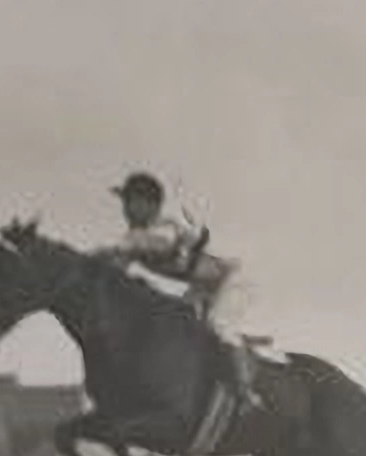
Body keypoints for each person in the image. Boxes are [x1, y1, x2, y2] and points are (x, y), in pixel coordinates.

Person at [97, 171, 258, 406]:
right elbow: (115, 268)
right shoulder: (135, 236)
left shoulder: (167, 225)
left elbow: (159, 243)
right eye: (124, 203)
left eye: (129, 203)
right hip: (204, 285)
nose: (125, 210)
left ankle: (245, 391)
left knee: (219, 325)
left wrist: (118, 250)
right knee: (176, 322)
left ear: (148, 204)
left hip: (234, 280)